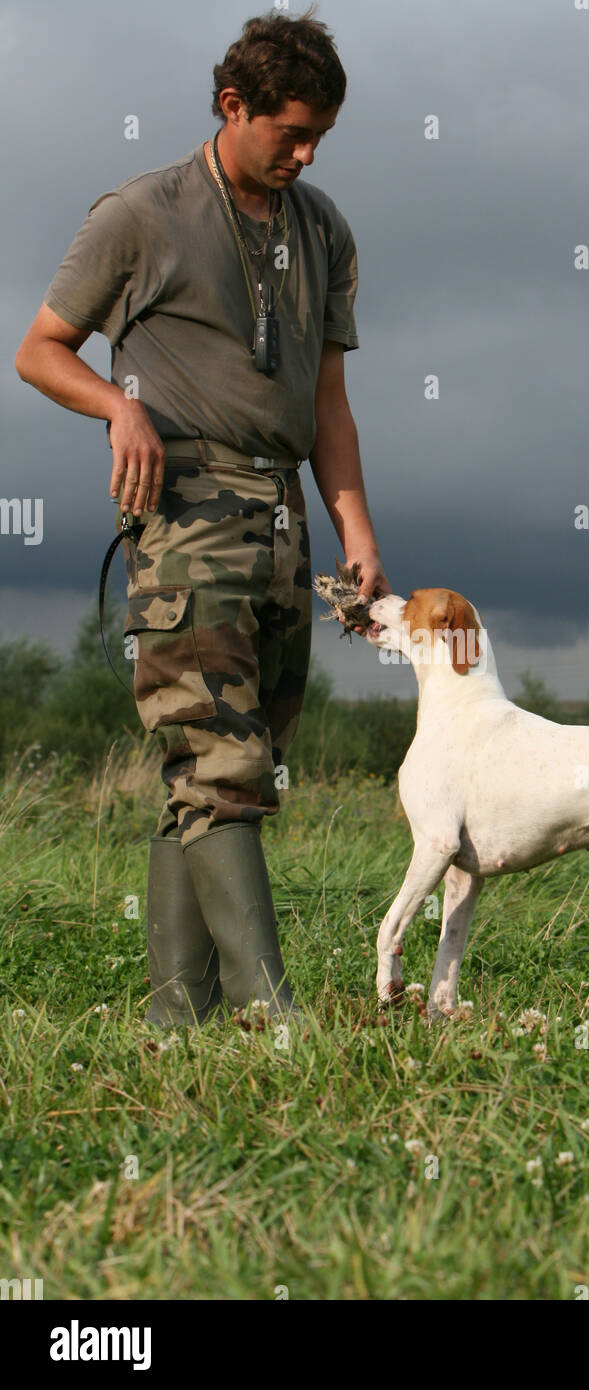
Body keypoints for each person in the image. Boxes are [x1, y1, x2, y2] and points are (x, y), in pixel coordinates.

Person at [14, 9, 389, 1025]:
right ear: (233, 106)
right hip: (182, 510)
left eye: (320, 138)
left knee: (231, 762)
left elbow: (327, 407)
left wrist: (356, 536)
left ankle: (175, 1020)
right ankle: (272, 1016)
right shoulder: (140, 214)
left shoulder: (322, 230)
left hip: (281, 513)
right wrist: (117, 404)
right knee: (218, 759)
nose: (305, 155)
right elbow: (41, 349)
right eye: (290, 133)